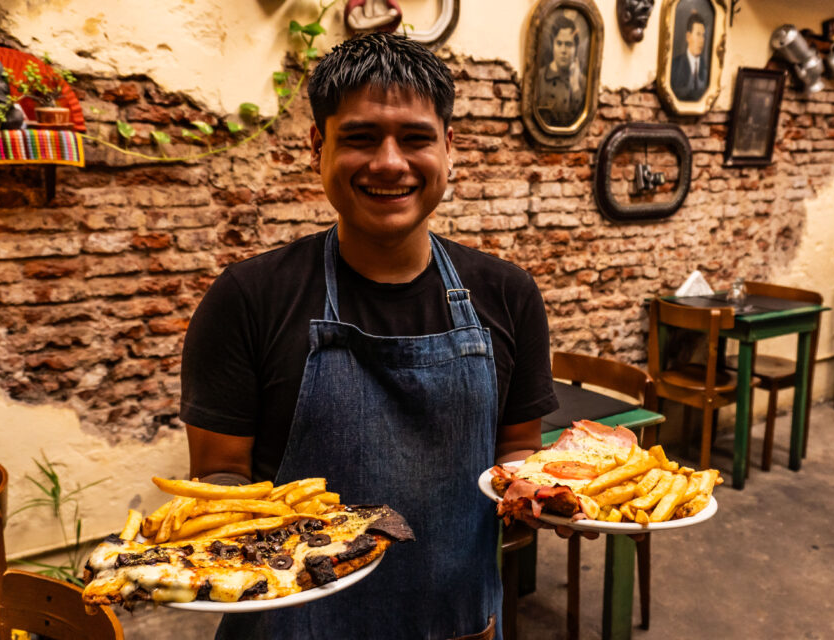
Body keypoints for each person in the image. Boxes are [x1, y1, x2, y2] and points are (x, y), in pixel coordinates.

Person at [182, 33, 558, 640]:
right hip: (289, 627)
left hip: (457, 625)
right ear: (317, 147)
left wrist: (544, 494)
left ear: (449, 148)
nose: (389, 162)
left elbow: (517, 455)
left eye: (415, 139)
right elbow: (220, 478)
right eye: (360, 138)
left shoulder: (507, 293)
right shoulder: (248, 298)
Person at [536, 15, 586, 126]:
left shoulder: (583, 82)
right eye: (559, 43)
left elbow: (583, 122)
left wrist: (575, 87)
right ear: (552, 45)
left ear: (576, 48)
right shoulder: (539, 78)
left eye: (568, 45)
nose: (563, 50)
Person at [670, 11, 709, 102]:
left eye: (703, 35)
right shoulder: (675, 65)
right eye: (698, 34)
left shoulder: (707, 67)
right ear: (688, 36)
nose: (701, 40)